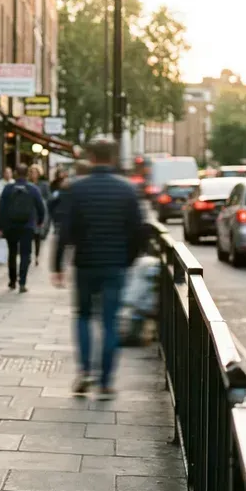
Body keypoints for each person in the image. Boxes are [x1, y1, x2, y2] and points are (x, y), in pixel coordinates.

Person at [51, 139, 144, 401]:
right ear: (113, 157)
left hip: (85, 264)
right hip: (115, 265)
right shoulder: (127, 190)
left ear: (90, 157)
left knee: (82, 316)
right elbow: (139, 231)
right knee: (110, 321)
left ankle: (84, 371)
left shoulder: (76, 189)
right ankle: (105, 382)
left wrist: (57, 265)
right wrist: (128, 259)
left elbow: (64, 230)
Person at [0, 163, 46, 293]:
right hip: (27, 226)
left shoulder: (8, 188)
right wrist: (39, 221)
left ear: (15, 173)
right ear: (27, 173)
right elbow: (41, 207)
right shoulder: (33, 189)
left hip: (11, 226)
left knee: (12, 253)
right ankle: (22, 282)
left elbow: (1, 209)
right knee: (25, 254)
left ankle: (12, 281)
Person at [28, 164, 52, 267]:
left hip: (39, 212)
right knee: (28, 235)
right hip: (29, 213)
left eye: (35, 172)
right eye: (31, 172)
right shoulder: (28, 184)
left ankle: (36, 256)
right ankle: (28, 255)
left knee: (37, 235)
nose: (33, 174)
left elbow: (49, 198)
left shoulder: (44, 185)